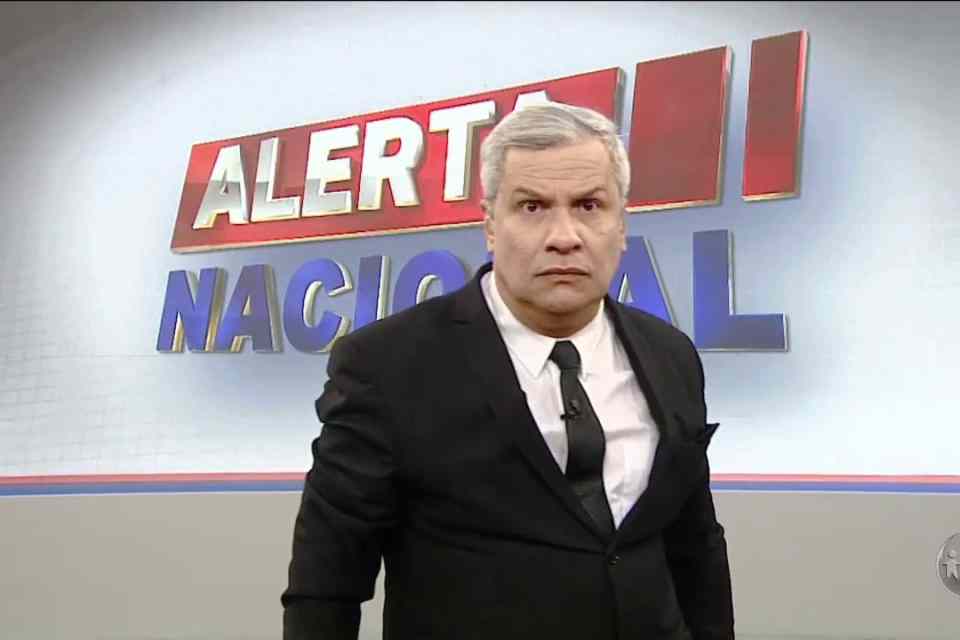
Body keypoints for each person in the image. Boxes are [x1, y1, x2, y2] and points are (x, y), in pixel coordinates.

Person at [281, 102, 735, 640]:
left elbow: (695, 545)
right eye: (532, 206)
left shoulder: (671, 355)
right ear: (491, 225)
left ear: (621, 225)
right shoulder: (386, 365)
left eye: (589, 205)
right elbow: (327, 582)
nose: (564, 235)